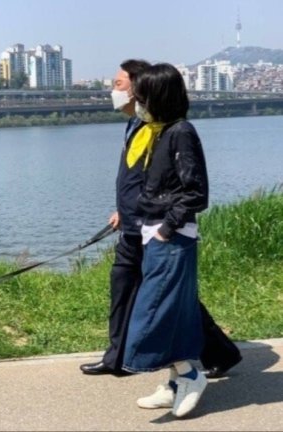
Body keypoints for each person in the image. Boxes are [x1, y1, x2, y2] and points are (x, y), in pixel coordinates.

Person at [80, 60, 241, 379]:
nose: (114, 90)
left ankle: (209, 357)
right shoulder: (135, 126)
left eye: (119, 84)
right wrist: (122, 210)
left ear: (143, 88)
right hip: (133, 223)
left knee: (166, 296)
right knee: (127, 287)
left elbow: (179, 187)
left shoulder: (162, 128)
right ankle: (119, 358)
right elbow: (137, 179)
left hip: (151, 229)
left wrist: (163, 228)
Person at [121, 62, 212, 417]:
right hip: (156, 233)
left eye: (141, 96)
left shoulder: (180, 133)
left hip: (171, 237)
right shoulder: (157, 131)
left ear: (157, 97)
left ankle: (190, 374)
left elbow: (196, 193)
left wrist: (165, 228)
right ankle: (175, 381)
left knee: (152, 313)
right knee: (176, 314)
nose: (136, 102)